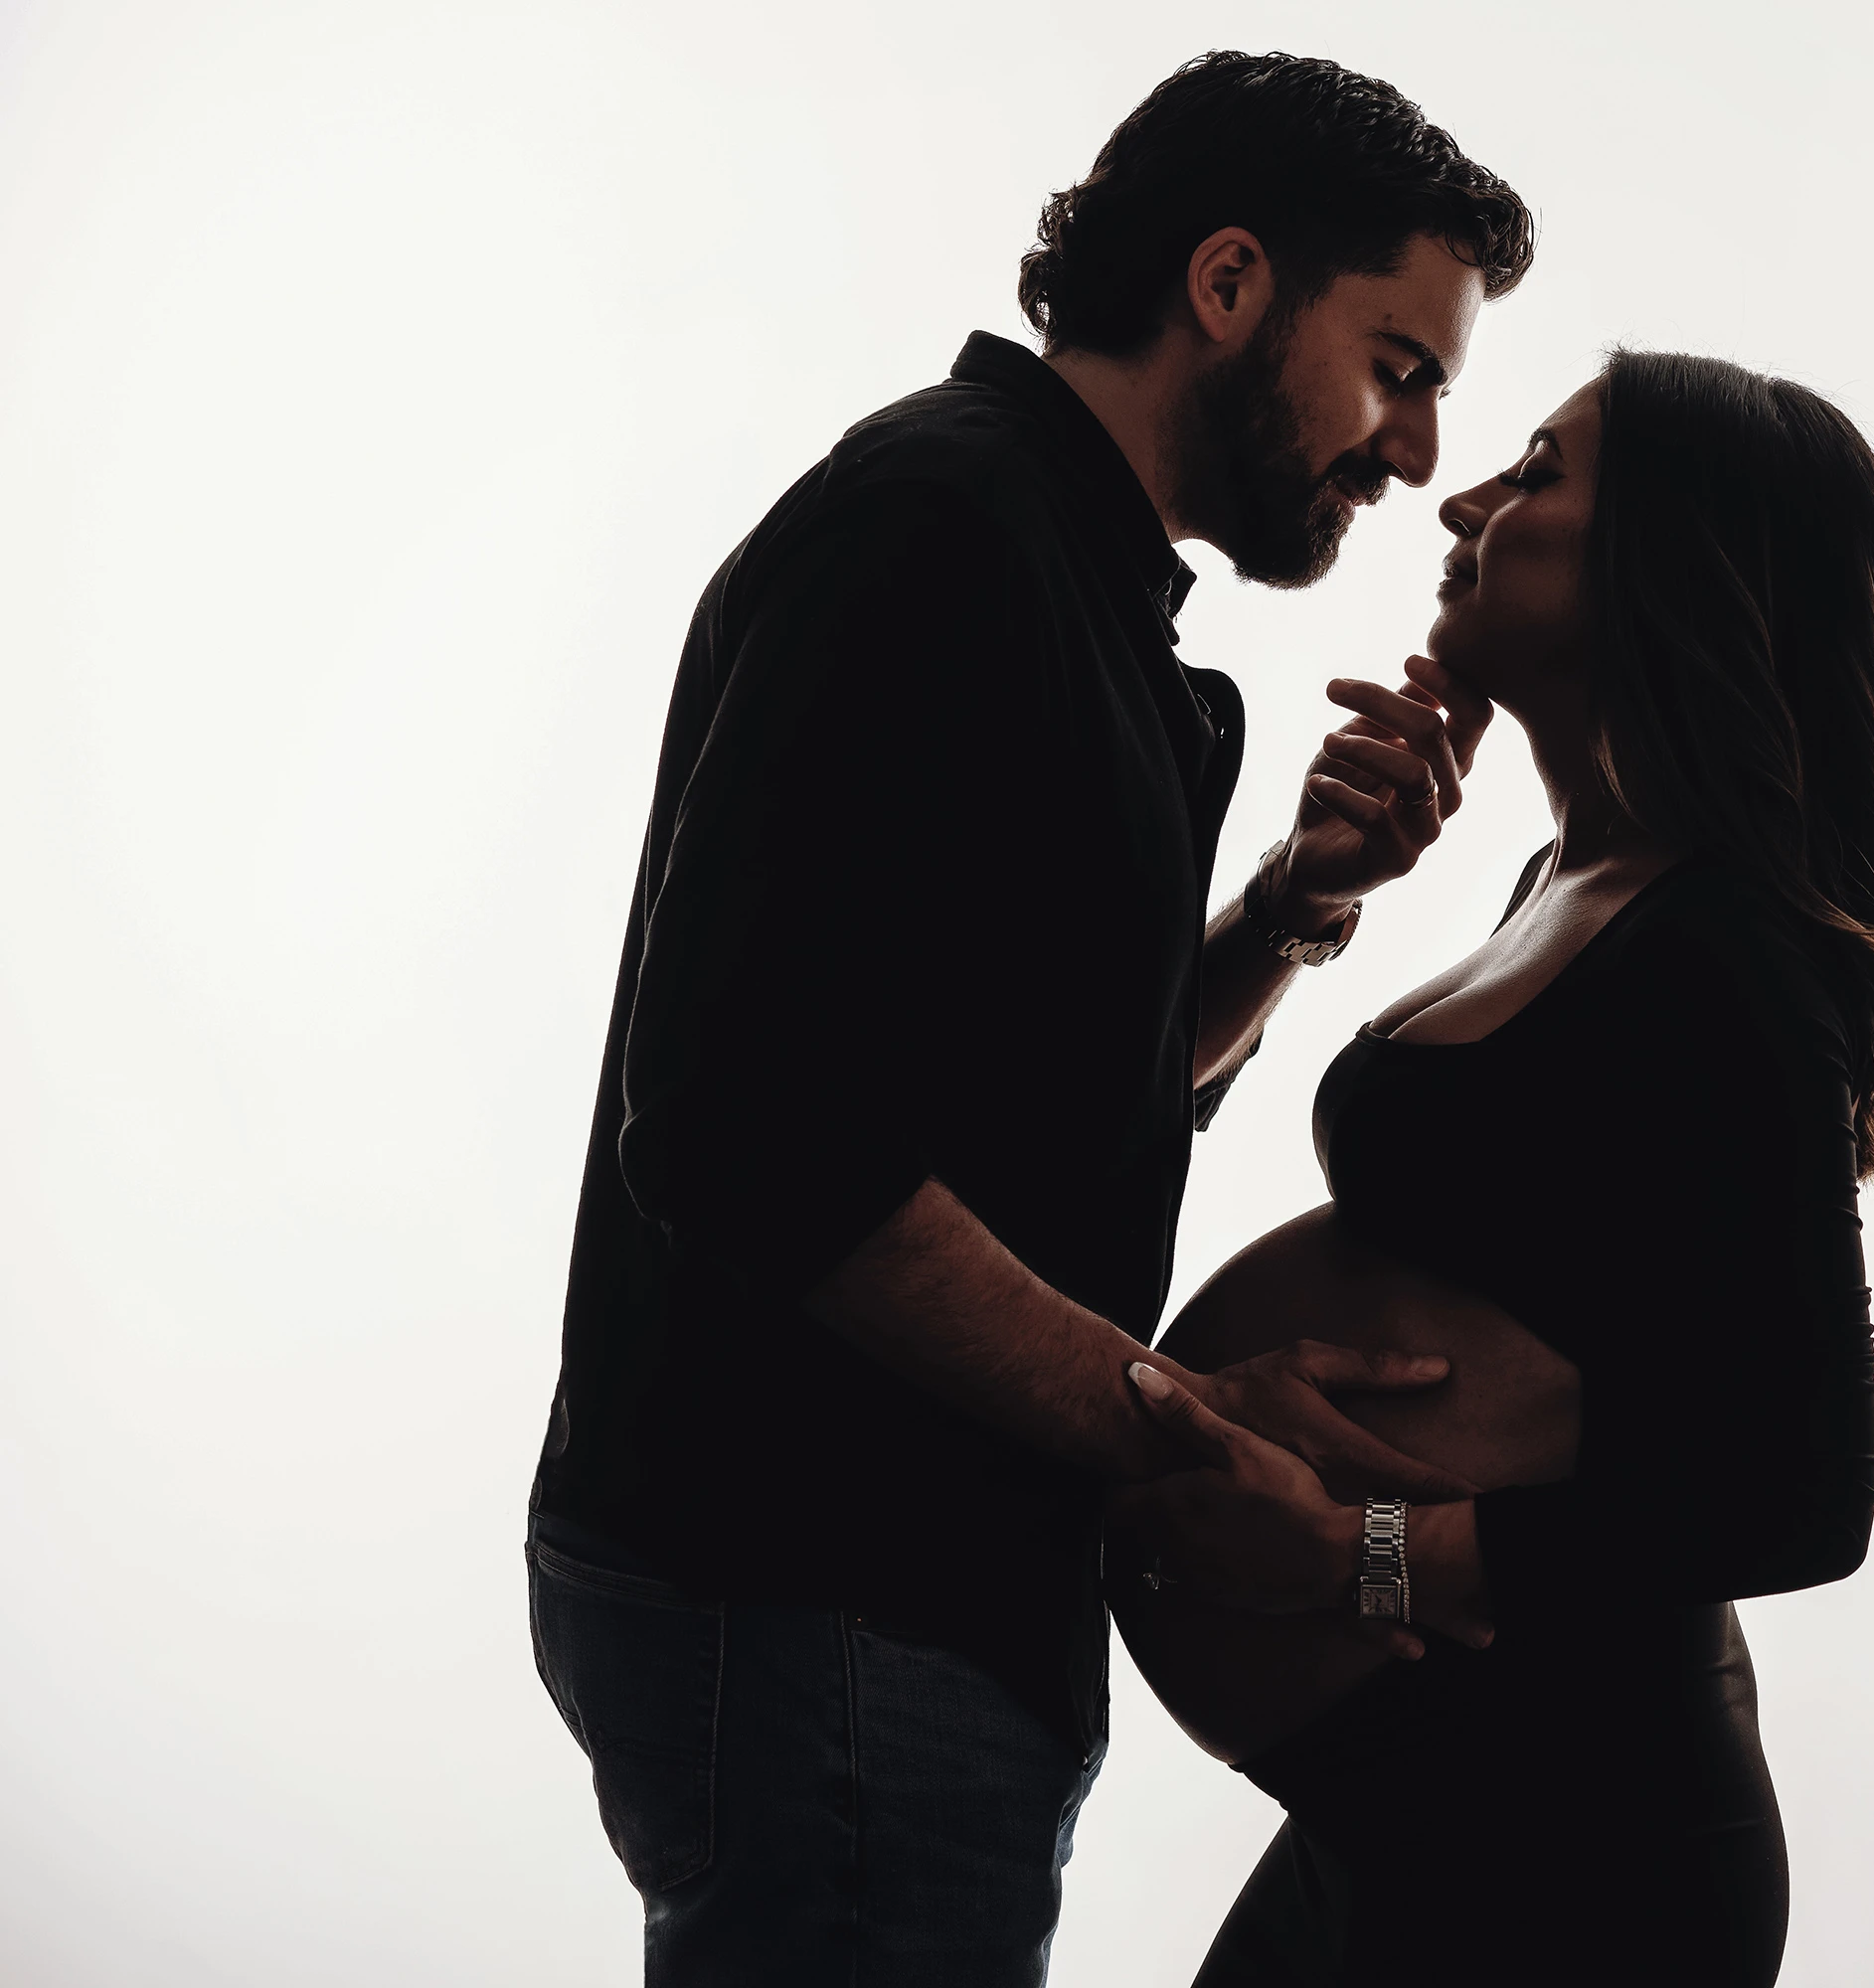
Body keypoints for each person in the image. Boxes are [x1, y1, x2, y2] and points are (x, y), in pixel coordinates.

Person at [522, 53, 1532, 1985]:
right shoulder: (944, 527)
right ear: (1228, 284)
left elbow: (1061, 1095)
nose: (1416, 454)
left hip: (887, 1619)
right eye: (1399, 367)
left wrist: (1297, 907)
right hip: (827, 1601)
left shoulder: (1082, 594)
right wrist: (1183, 1426)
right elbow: (751, 1129)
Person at [1107, 350, 1874, 1987]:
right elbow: (1110, 1106)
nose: (1466, 503)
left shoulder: (1725, 948)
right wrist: (1308, 893)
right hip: (1431, 1793)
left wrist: (1354, 1554)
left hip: (1585, 1837)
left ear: (1672, 563)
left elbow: (1797, 1484)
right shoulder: (1572, 879)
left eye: (1540, 473)